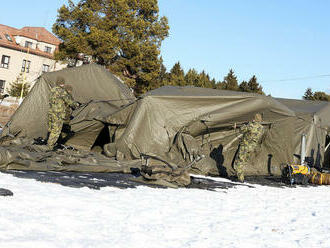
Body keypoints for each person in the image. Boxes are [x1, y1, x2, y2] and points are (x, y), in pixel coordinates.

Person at [47, 77, 80, 150]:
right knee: (56, 131)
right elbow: (69, 101)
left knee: (51, 129)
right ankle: (49, 146)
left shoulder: (52, 90)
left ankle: (49, 143)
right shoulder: (61, 91)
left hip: (51, 112)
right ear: (62, 83)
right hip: (58, 114)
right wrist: (77, 104)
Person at [233, 113, 264, 182]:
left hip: (245, 146)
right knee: (244, 161)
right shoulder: (261, 128)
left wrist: (242, 125)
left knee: (240, 162)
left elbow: (241, 130)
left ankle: (240, 179)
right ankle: (238, 174)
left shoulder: (250, 125)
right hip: (252, 147)